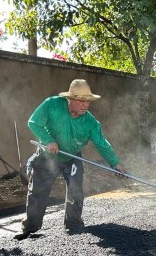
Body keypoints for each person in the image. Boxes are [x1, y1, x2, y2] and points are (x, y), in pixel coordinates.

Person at [17, 79, 126, 238]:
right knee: (37, 192)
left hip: (72, 156)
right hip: (48, 156)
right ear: (70, 99)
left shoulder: (90, 122)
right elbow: (33, 122)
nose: (86, 104)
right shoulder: (52, 104)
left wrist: (115, 163)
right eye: (81, 100)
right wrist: (48, 141)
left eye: (88, 101)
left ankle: (74, 225)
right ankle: (29, 227)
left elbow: (102, 143)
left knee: (76, 191)